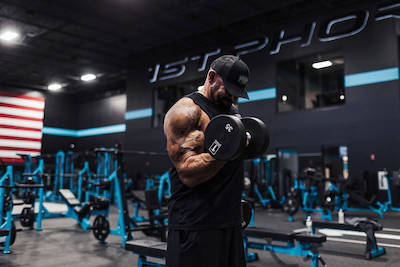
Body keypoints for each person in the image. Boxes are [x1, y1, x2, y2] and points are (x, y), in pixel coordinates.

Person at [163, 55, 250, 267]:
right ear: (211, 77)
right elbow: (187, 172)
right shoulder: (186, 112)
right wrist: (230, 147)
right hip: (195, 225)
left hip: (229, 223)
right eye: (229, 90)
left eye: (237, 93)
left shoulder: (232, 112)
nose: (233, 98)